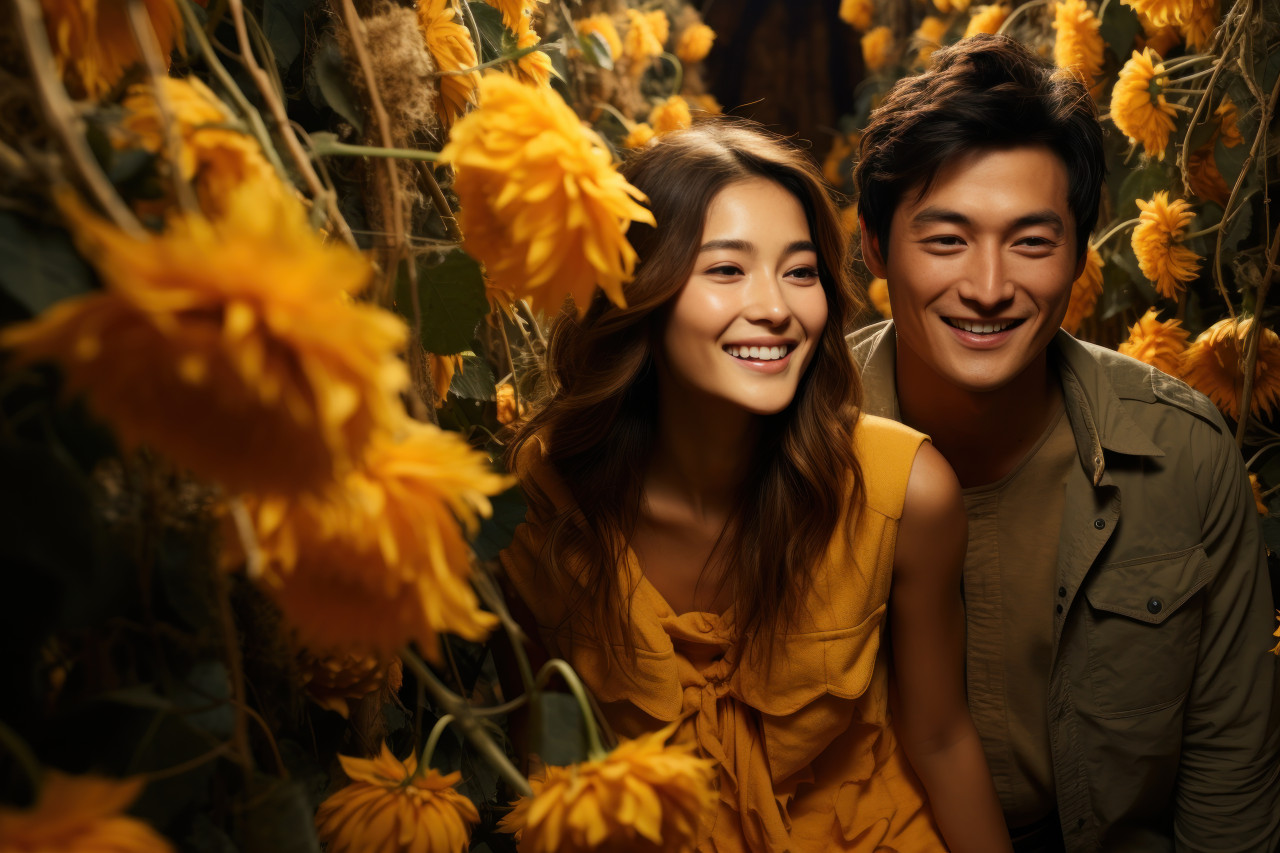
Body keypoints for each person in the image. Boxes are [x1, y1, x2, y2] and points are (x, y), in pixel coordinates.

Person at [499, 121, 1013, 852]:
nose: (776, 307)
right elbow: (544, 756)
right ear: (639, 289)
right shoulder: (543, 501)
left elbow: (941, 737)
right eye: (726, 269)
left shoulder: (907, 491)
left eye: (800, 272)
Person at [849, 34, 1280, 853]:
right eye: (944, 240)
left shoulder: (1183, 455)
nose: (987, 287)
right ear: (875, 247)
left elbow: (1230, 784)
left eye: (1032, 241)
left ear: (1080, 254)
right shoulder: (792, 442)